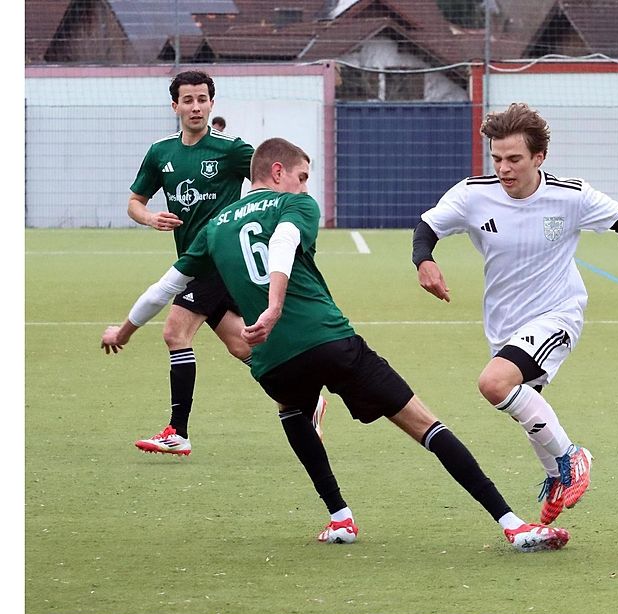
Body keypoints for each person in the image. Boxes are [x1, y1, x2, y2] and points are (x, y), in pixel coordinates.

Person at [101, 137, 569, 552]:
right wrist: (277, 303)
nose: (307, 185)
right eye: (302, 176)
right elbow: (283, 242)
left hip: (273, 361)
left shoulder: (214, 227)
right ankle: (513, 526)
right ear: (277, 172)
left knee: (291, 409)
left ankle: (340, 517)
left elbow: (166, 286)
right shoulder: (296, 206)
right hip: (328, 340)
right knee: (425, 424)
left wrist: (123, 330)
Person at [413, 103, 618, 525]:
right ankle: (553, 476)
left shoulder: (569, 196)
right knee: (525, 400)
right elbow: (427, 226)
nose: (504, 168)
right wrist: (424, 260)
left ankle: (572, 458)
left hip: (557, 312)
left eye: (514, 159)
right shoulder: (473, 195)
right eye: (497, 158)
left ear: (539, 158)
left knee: (494, 383)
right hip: (504, 322)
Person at [126, 70, 327, 456]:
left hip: (218, 260)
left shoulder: (231, 149)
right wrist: (150, 217)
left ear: (212, 104)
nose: (196, 106)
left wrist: (280, 211)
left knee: (175, 332)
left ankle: (177, 431)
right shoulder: (160, 152)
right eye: (188, 100)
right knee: (241, 345)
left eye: (202, 99)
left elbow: (273, 171)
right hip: (191, 260)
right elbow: (134, 203)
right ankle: (308, 398)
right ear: (175, 106)